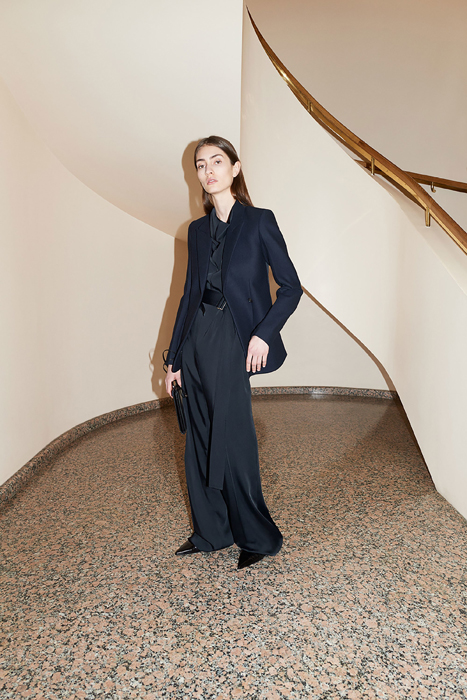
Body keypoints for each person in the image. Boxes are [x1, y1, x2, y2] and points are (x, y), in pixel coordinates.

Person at [165, 136, 302, 570]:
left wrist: (263, 334)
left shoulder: (259, 221)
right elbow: (188, 296)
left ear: (235, 168)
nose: (208, 171)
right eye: (200, 164)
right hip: (196, 337)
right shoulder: (196, 230)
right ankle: (212, 532)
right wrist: (173, 360)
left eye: (217, 161)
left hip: (233, 337)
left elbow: (291, 288)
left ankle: (258, 537)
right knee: (199, 437)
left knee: (233, 439)